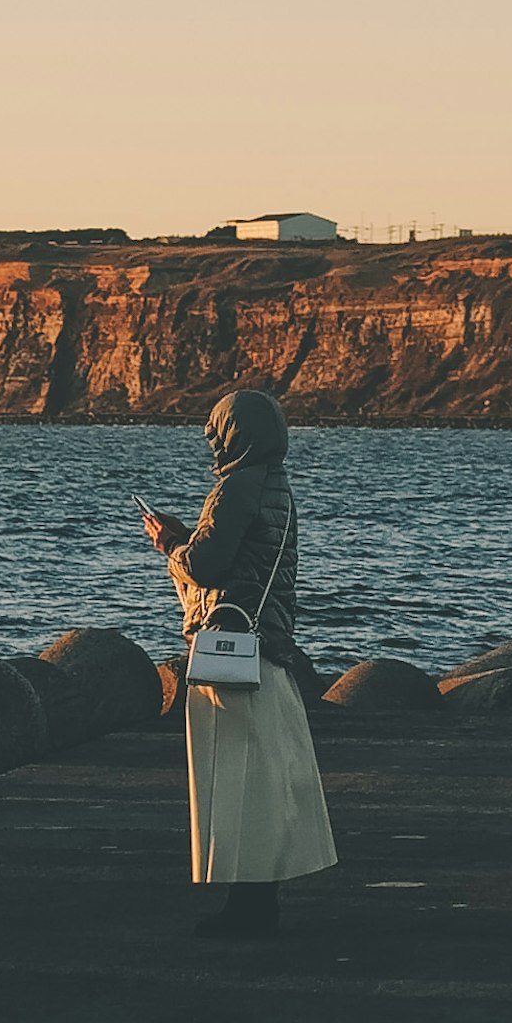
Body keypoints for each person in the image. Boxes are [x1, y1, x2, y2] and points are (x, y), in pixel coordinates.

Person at [140, 383, 336, 933]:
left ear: (235, 435)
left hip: (230, 650)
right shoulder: (277, 485)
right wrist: (189, 541)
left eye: (216, 433)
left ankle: (245, 911)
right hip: (266, 645)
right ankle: (255, 903)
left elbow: (206, 565)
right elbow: (241, 558)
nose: (212, 445)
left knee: (233, 779)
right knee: (261, 784)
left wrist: (170, 547)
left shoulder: (236, 487)